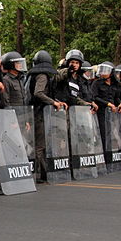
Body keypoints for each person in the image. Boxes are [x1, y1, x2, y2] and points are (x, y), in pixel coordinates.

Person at [26, 51, 68, 182]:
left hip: (37, 111)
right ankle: (40, 173)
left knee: (40, 144)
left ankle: (42, 172)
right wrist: (53, 102)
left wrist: (55, 101)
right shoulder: (42, 76)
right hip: (38, 113)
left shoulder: (33, 75)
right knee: (40, 145)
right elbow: (38, 93)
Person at [91, 62, 121, 150]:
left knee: (113, 134)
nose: (102, 73)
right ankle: (104, 154)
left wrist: (120, 103)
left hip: (113, 113)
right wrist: (107, 104)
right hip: (101, 112)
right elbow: (95, 97)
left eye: (105, 71)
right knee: (103, 133)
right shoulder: (97, 83)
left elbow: (116, 97)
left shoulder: (115, 84)